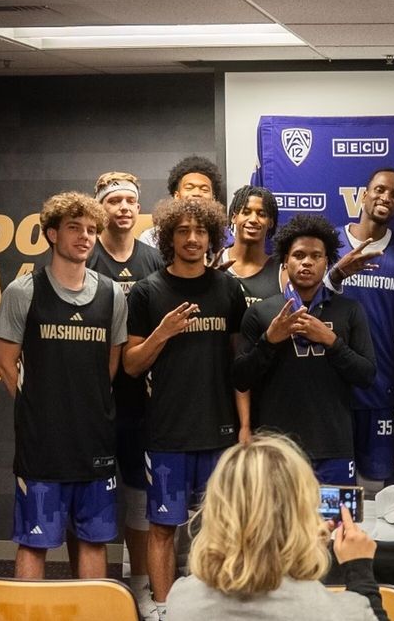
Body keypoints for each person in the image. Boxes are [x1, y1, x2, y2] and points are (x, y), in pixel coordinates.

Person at [124, 196, 247, 619]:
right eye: (183, 231)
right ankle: (161, 607)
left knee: (219, 530)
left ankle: (213, 606)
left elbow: (239, 365)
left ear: (212, 238)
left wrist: (244, 426)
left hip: (218, 431)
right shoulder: (147, 291)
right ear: (168, 238)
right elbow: (131, 364)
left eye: (201, 231)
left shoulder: (229, 289)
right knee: (162, 528)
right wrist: (162, 333)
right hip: (167, 434)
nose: (192, 239)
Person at [0, 192, 126, 580]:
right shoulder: (24, 291)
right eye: (74, 228)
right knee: (35, 542)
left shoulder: (111, 294)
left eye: (90, 230)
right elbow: (5, 363)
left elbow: (110, 366)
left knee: (93, 540)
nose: (85, 237)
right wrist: (39, 408)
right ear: (52, 233)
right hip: (42, 446)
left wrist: (86, 408)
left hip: (94, 442)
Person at [166, 433, 388, 621]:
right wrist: (359, 569)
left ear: (217, 510)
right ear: (304, 512)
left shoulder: (181, 601)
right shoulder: (340, 613)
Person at [233, 215, 377, 485]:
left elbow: (366, 375)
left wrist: (331, 341)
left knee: (334, 527)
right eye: (298, 255)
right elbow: (240, 378)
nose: (307, 262)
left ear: (327, 262)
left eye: (316, 256)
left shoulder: (349, 310)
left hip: (333, 446)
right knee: (276, 526)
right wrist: (269, 340)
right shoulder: (261, 312)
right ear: (285, 261)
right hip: (276, 449)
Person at [86, 171, 164, 614]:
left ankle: (138, 585)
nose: (123, 208)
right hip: (94, 399)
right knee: (94, 497)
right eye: (113, 201)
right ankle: (97, 588)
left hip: (142, 400)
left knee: (138, 495)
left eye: (130, 201)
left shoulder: (154, 260)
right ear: (101, 208)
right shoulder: (84, 256)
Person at [328, 168, 394, 489]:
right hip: (330, 384)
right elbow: (303, 300)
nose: (386, 198)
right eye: (380, 190)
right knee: (333, 487)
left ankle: (367, 542)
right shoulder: (329, 243)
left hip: (380, 385)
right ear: (363, 194)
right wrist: (336, 274)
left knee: (373, 486)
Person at [138, 155, 225, 248]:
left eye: (204, 190)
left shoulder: (224, 238)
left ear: (213, 199)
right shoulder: (151, 238)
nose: (196, 193)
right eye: (189, 188)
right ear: (177, 196)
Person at [224, 184, 282, 304]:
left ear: (271, 222)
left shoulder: (280, 271)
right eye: (246, 212)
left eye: (261, 214)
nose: (253, 220)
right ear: (234, 218)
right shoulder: (214, 262)